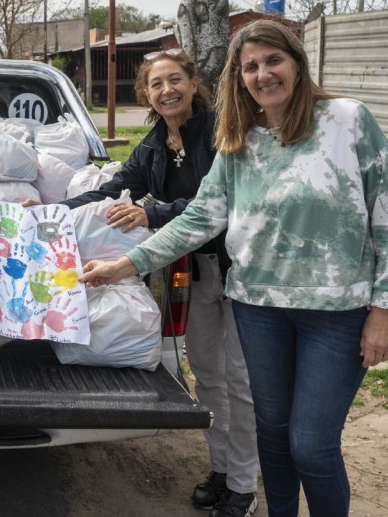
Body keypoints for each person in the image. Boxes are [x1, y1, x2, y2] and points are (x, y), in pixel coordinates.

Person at [79, 20, 388, 517]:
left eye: (272, 61)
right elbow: (199, 218)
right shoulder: (238, 139)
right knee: (274, 439)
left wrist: (385, 310)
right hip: (258, 310)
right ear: (238, 77)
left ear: (297, 64)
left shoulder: (347, 120)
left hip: (336, 312)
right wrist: (124, 266)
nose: (262, 74)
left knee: (311, 445)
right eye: (250, 66)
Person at [39, 48, 259, 516]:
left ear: (192, 82)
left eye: (175, 80)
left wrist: (153, 212)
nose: (167, 91)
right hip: (195, 272)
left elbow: (223, 204)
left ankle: (244, 483)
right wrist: (48, 216)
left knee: (241, 381)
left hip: (241, 271)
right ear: (146, 94)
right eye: (156, 85)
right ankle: (221, 470)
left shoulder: (223, 133)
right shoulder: (154, 145)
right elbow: (111, 190)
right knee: (210, 378)